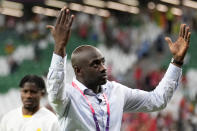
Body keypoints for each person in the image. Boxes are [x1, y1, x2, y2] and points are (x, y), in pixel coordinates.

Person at [46, 7, 191, 131]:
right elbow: (54, 90)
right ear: (78, 71)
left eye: (103, 62)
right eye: (95, 64)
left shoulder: (116, 91)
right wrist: (59, 48)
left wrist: (177, 62)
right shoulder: (67, 97)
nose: (103, 68)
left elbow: (157, 100)